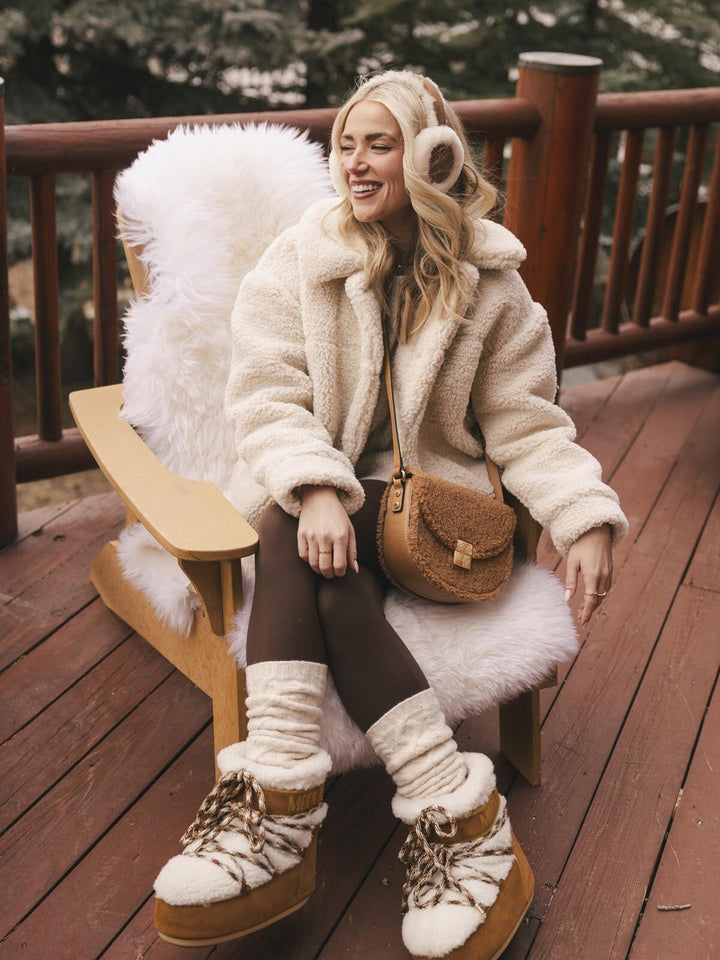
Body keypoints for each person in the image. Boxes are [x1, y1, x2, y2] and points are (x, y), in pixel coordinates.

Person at [151, 71, 628, 958]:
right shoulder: (301, 259)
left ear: (433, 157)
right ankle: (455, 816)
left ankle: (277, 809)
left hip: (440, 525)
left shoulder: (492, 288)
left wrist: (584, 514)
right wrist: (319, 488)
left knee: (282, 529)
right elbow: (264, 397)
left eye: (381, 144)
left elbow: (527, 424)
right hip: (331, 512)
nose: (356, 164)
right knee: (305, 541)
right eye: (345, 144)